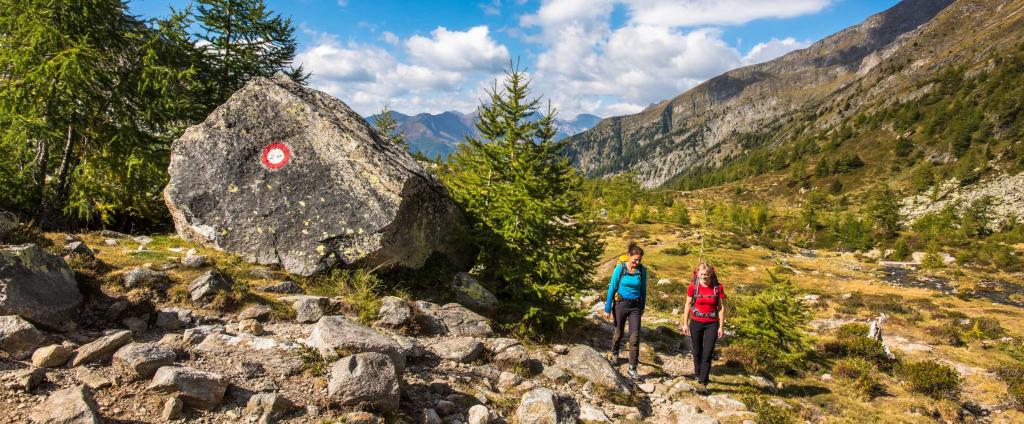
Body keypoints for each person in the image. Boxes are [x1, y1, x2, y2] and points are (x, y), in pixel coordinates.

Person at [681, 261, 726, 394]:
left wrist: (721, 326)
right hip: (696, 321)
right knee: (697, 350)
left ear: (711, 274)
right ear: (698, 274)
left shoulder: (718, 287)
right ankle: (698, 372)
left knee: (708, 353)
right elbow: (688, 304)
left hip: (712, 323)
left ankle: (703, 381)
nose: (704, 278)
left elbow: (721, 307)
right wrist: (685, 323)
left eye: (706, 275)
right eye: (701, 275)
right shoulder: (693, 287)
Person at [604, 242, 647, 379]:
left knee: (635, 338)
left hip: (635, 307)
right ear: (629, 256)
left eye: (639, 260)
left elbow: (643, 290)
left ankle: (633, 367)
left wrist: (642, 307)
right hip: (620, 304)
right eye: (635, 259)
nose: (637, 262)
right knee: (618, 332)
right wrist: (607, 309)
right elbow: (612, 288)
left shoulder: (642, 270)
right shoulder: (620, 268)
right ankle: (615, 353)